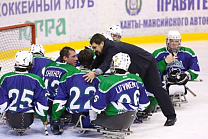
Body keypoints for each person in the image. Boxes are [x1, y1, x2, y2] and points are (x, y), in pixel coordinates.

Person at [84, 33, 177, 126]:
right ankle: (139, 111)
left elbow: (107, 62)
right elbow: (99, 60)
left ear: (102, 43)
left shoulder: (112, 47)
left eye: (95, 47)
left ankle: (171, 116)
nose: (94, 50)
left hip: (147, 63)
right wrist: (90, 69)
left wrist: (95, 73)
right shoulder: (105, 48)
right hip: (138, 66)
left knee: (157, 88)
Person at [90, 52, 149, 130]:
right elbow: (145, 103)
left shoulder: (108, 81)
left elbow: (97, 107)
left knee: (91, 110)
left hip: (111, 120)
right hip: (130, 119)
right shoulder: (136, 79)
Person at [50, 49, 103, 135]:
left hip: (74, 118)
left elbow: (59, 99)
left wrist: (55, 118)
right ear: (93, 61)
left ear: (79, 60)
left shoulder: (68, 76)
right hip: (92, 118)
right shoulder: (100, 78)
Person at [0, 50, 48, 135]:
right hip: (28, 119)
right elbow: (41, 104)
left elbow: (2, 103)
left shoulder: (5, 77)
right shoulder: (37, 79)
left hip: (11, 118)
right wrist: (44, 119)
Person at [152, 30, 200, 97]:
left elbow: (195, 70)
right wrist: (164, 63)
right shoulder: (158, 54)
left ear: (180, 42)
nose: (174, 43)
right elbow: (151, 72)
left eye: (176, 41)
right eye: (172, 41)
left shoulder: (188, 53)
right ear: (167, 42)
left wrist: (186, 76)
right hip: (163, 86)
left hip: (180, 83)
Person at [43, 46, 78, 124]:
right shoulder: (71, 70)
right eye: (73, 56)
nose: (76, 59)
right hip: (60, 108)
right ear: (65, 58)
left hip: (46, 105)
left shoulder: (49, 65)